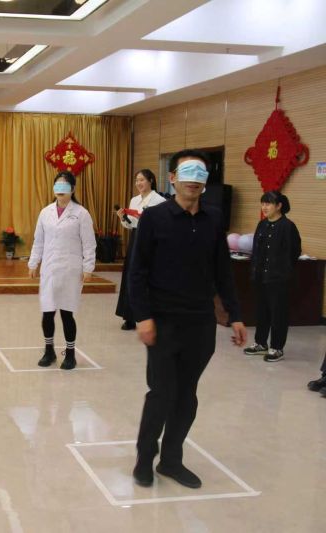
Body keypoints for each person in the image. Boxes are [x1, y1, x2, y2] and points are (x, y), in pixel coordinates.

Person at [129, 149, 247, 489]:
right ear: (172, 179)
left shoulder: (213, 219)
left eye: (200, 174)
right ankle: (144, 458)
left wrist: (235, 314)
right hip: (163, 321)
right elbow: (137, 271)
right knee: (162, 392)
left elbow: (223, 271)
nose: (193, 180)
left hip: (200, 322)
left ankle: (171, 460)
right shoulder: (154, 218)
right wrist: (143, 317)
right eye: (187, 173)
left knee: (187, 395)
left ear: (206, 181)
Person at [27, 171, 96, 370]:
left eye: (65, 186)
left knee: (67, 312)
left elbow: (89, 243)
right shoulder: (45, 212)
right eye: (57, 185)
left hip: (70, 270)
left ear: (72, 189)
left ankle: (70, 354)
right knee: (47, 312)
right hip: (49, 269)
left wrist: (88, 267)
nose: (60, 190)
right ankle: (49, 351)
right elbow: (38, 241)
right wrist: (33, 263)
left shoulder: (81, 214)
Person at [242, 191, 301, 362]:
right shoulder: (262, 224)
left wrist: (283, 270)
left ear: (279, 206)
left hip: (279, 278)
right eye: (262, 203)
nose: (264, 207)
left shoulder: (288, 226)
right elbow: (256, 249)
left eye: (268, 203)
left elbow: (294, 251)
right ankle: (261, 343)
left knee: (278, 314)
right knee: (262, 312)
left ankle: (277, 347)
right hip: (261, 277)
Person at [115, 169, 166, 330]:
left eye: (142, 180)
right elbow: (130, 224)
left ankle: (151, 317)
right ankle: (129, 316)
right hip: (136, 238)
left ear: (151, 180)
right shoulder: (134, 200)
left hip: (152, 240)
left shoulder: (159, 200)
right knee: (131, 275)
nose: (139, 183)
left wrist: (146, 220)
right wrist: (123, 217)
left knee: (149, 277)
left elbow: (163, 224)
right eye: (137, 180)